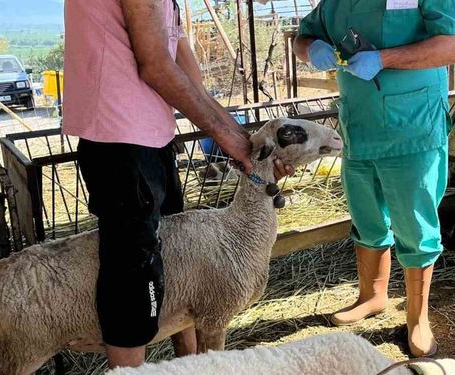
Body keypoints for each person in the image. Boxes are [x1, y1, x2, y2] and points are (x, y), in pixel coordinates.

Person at [63, 0, 291, 368]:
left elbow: (187, 70)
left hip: (151, 134)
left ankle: (187, 365)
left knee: (172, 258)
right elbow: (155, 64)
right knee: (134, 271)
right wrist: (223, 133)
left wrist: (244, 142)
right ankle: (128, 370)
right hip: (119, 136)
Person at [295, 0, 455, 357]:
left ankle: (417, 318)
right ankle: (372, 296)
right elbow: (303, 36)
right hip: (359, 127)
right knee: (366, 216)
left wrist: (385, 58)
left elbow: (452, 45)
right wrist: (312, 48)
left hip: (412, 128)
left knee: (415, 225)